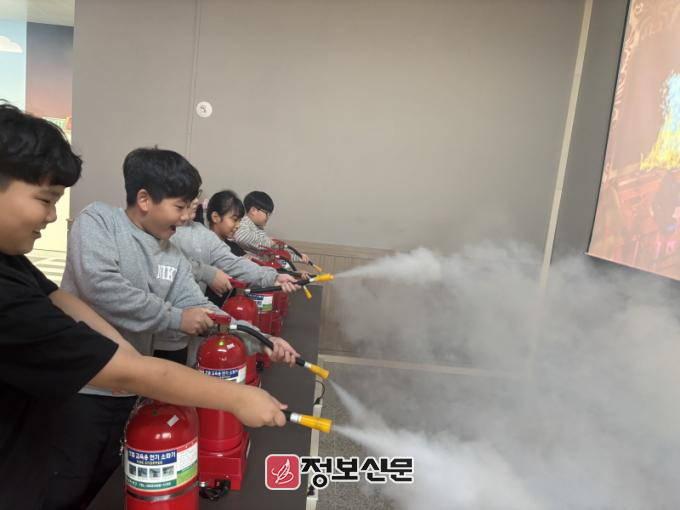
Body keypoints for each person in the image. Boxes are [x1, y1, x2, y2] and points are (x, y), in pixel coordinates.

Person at [0, 103, 288, 510]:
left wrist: (257, 337)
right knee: (64, 484)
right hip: (79, 390)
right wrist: (233, 396)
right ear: (145, 199)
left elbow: (60, 298)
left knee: (106, 480)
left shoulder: (172, 253)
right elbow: (102, 290)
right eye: (180, 207)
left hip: (127, 387)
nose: (187, 218)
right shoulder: (99, 222)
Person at [154, 192, 299, 360]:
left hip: (182, 336)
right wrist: (207, 273)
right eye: (188, 196)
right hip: (156, 338)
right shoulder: (156, 238)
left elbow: (233, 263)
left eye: (196, 194)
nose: (195, 201)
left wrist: (273, 277)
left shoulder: (201, 234)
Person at [233, 190, 311, 262]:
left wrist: (298, 257)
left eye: (269, 214)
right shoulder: (244, 222)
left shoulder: (259, 229)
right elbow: (241, 237)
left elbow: (273, 253)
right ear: (253, 210)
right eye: (267, 213)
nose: (268, 217)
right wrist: (270, 243)